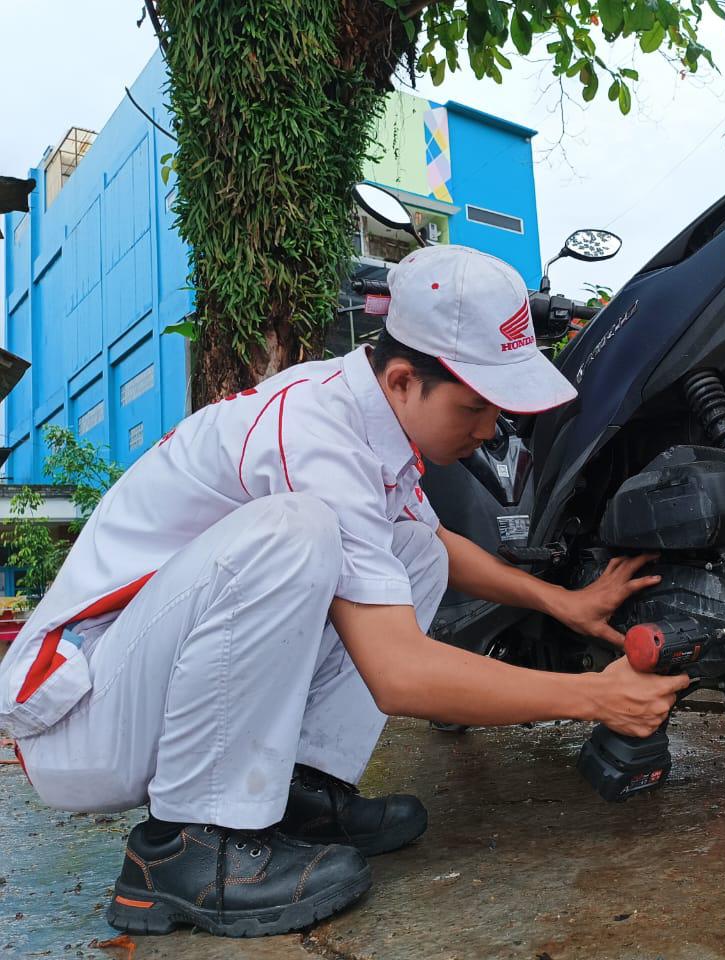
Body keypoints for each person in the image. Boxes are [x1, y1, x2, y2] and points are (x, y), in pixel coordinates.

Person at [0, 244, 688, 938]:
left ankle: (295, 795)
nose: (489, 429)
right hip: (80, 714)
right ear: (399, 381)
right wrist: (594, 698)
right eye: (476, 406)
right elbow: (398, 675)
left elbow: (436, 549)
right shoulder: (313, 433)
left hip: (136, 685)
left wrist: (558, 600)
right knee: (294, 530)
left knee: (413, 547)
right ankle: (188, 847)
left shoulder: (362, 416)